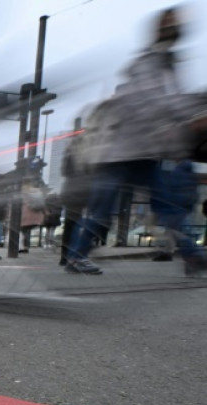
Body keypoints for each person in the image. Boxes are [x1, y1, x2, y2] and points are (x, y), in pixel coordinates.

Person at [65, 7, 207, 275]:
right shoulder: (147, 63)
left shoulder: (168, 63)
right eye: (170, 23)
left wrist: (193, 112)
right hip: (119, 153)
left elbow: (171, 103)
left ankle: (193, 256)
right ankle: (75, 256)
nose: (176, 28)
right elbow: (156, 104)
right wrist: (192, 115)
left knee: (170, 205)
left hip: (145, 154)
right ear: (159, 29)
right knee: (101, 209)